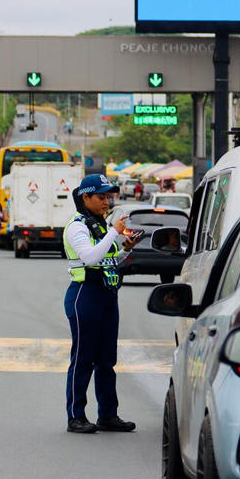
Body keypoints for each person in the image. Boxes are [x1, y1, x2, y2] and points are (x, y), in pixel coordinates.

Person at [62, 174, 143, 434]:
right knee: (83, 358)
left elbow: (108, 260)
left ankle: (108, 415)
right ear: (85, 197)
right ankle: (76, 416)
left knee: (107, 359)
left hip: (107, 295)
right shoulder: (77, 227)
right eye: (101, 196)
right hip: (85, 295)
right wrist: (114, 232)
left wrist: (126, 249)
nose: (107, 201)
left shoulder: (99, 225)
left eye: (109, 196)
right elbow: (89, 258)